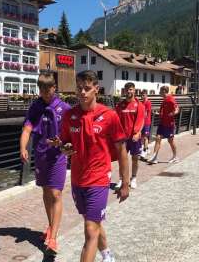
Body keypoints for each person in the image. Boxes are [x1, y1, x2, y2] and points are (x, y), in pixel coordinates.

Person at [52, 70, 130, 262]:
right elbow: (65, 144)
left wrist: (125, 182)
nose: (83, 93)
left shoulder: (109, 115)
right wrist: (64, 148)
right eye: (79, 88)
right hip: (78, 180)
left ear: (97, 89)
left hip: (99, 179)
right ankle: (107, 255)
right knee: (93, 222)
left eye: (87, 88)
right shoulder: (70, 116)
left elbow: (121, 150)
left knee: (90, 230)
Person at [19, 72, 71, 254]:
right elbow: (27, 129)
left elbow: (71, 134)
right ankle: (50, 226)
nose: (44, 93)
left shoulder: (64, 108)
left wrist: (63, 143)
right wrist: (23, 147)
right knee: (46, 193)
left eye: (47, 89)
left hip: (58, 156)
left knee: (56, 194)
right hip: (41, 156)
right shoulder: (36, 107)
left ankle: (53, 239)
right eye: (41, 89)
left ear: (54, 88)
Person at [114, 83, 144, 190]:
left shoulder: (139, 105)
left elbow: (141, 121)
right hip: (122, 138)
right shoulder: (119, 105)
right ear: (124, 91)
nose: (129, 91)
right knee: (122, 160)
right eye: (127, 89)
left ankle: (134, 178)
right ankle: (121, 179)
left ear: (134, 90)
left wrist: (137, 133)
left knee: (135, 158)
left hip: (134, 137)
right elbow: (115, 120)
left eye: (131, 89)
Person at [149, 86, 179, 164]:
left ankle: (175, 156)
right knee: (158, 138)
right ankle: (154, 157)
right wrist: (158, 113)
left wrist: (173, 113)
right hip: (162, 124)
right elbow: (164, 112)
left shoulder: (170, 99)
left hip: (169, 125)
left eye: (160, 91)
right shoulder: (164, 100)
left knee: (170, 141)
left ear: (164, 91)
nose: (159, 92)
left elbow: (177, 108)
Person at [140, 90, 152, 160]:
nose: (142, 96)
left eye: (143, 95)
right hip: (142, 122)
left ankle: (144, 151)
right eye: (141, 95)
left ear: (146, 95)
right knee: (142, 137)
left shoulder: (148, 103)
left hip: (146, 122)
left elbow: (146, 113)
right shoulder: (141, 102)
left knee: (145, 137)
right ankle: (146, 149)